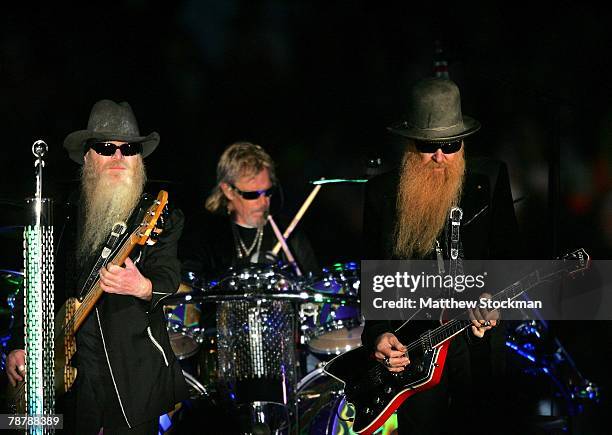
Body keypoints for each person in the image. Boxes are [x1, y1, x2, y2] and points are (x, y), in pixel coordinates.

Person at [5, 100, 188, 434]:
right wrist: (19, 342)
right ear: (88, 156)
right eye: (106, 148)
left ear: (139, 159)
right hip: (69, 375)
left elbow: (167, 275)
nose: (118, 157)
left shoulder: (159, 214)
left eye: (128, 149)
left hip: (132, 375)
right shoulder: (62, 214)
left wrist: (142, 286)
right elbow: (35, 283)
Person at [361, 77, 520, 434]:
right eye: (427, 145)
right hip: (416, 344)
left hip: (476, 341)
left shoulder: (490, 179)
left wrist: (493, 297)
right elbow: (374, 278)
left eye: (450, 145)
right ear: (408, 143)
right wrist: (378, 334)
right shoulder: (382, 193)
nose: (439, 156)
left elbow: (511, 257)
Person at [180, 141, 317, 278]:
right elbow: (189, 285)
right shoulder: (204, 233)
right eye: (252, 194)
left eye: (268, 192)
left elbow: (313, 286)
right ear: (228, 190)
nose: (264, 202)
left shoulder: (289, 233)